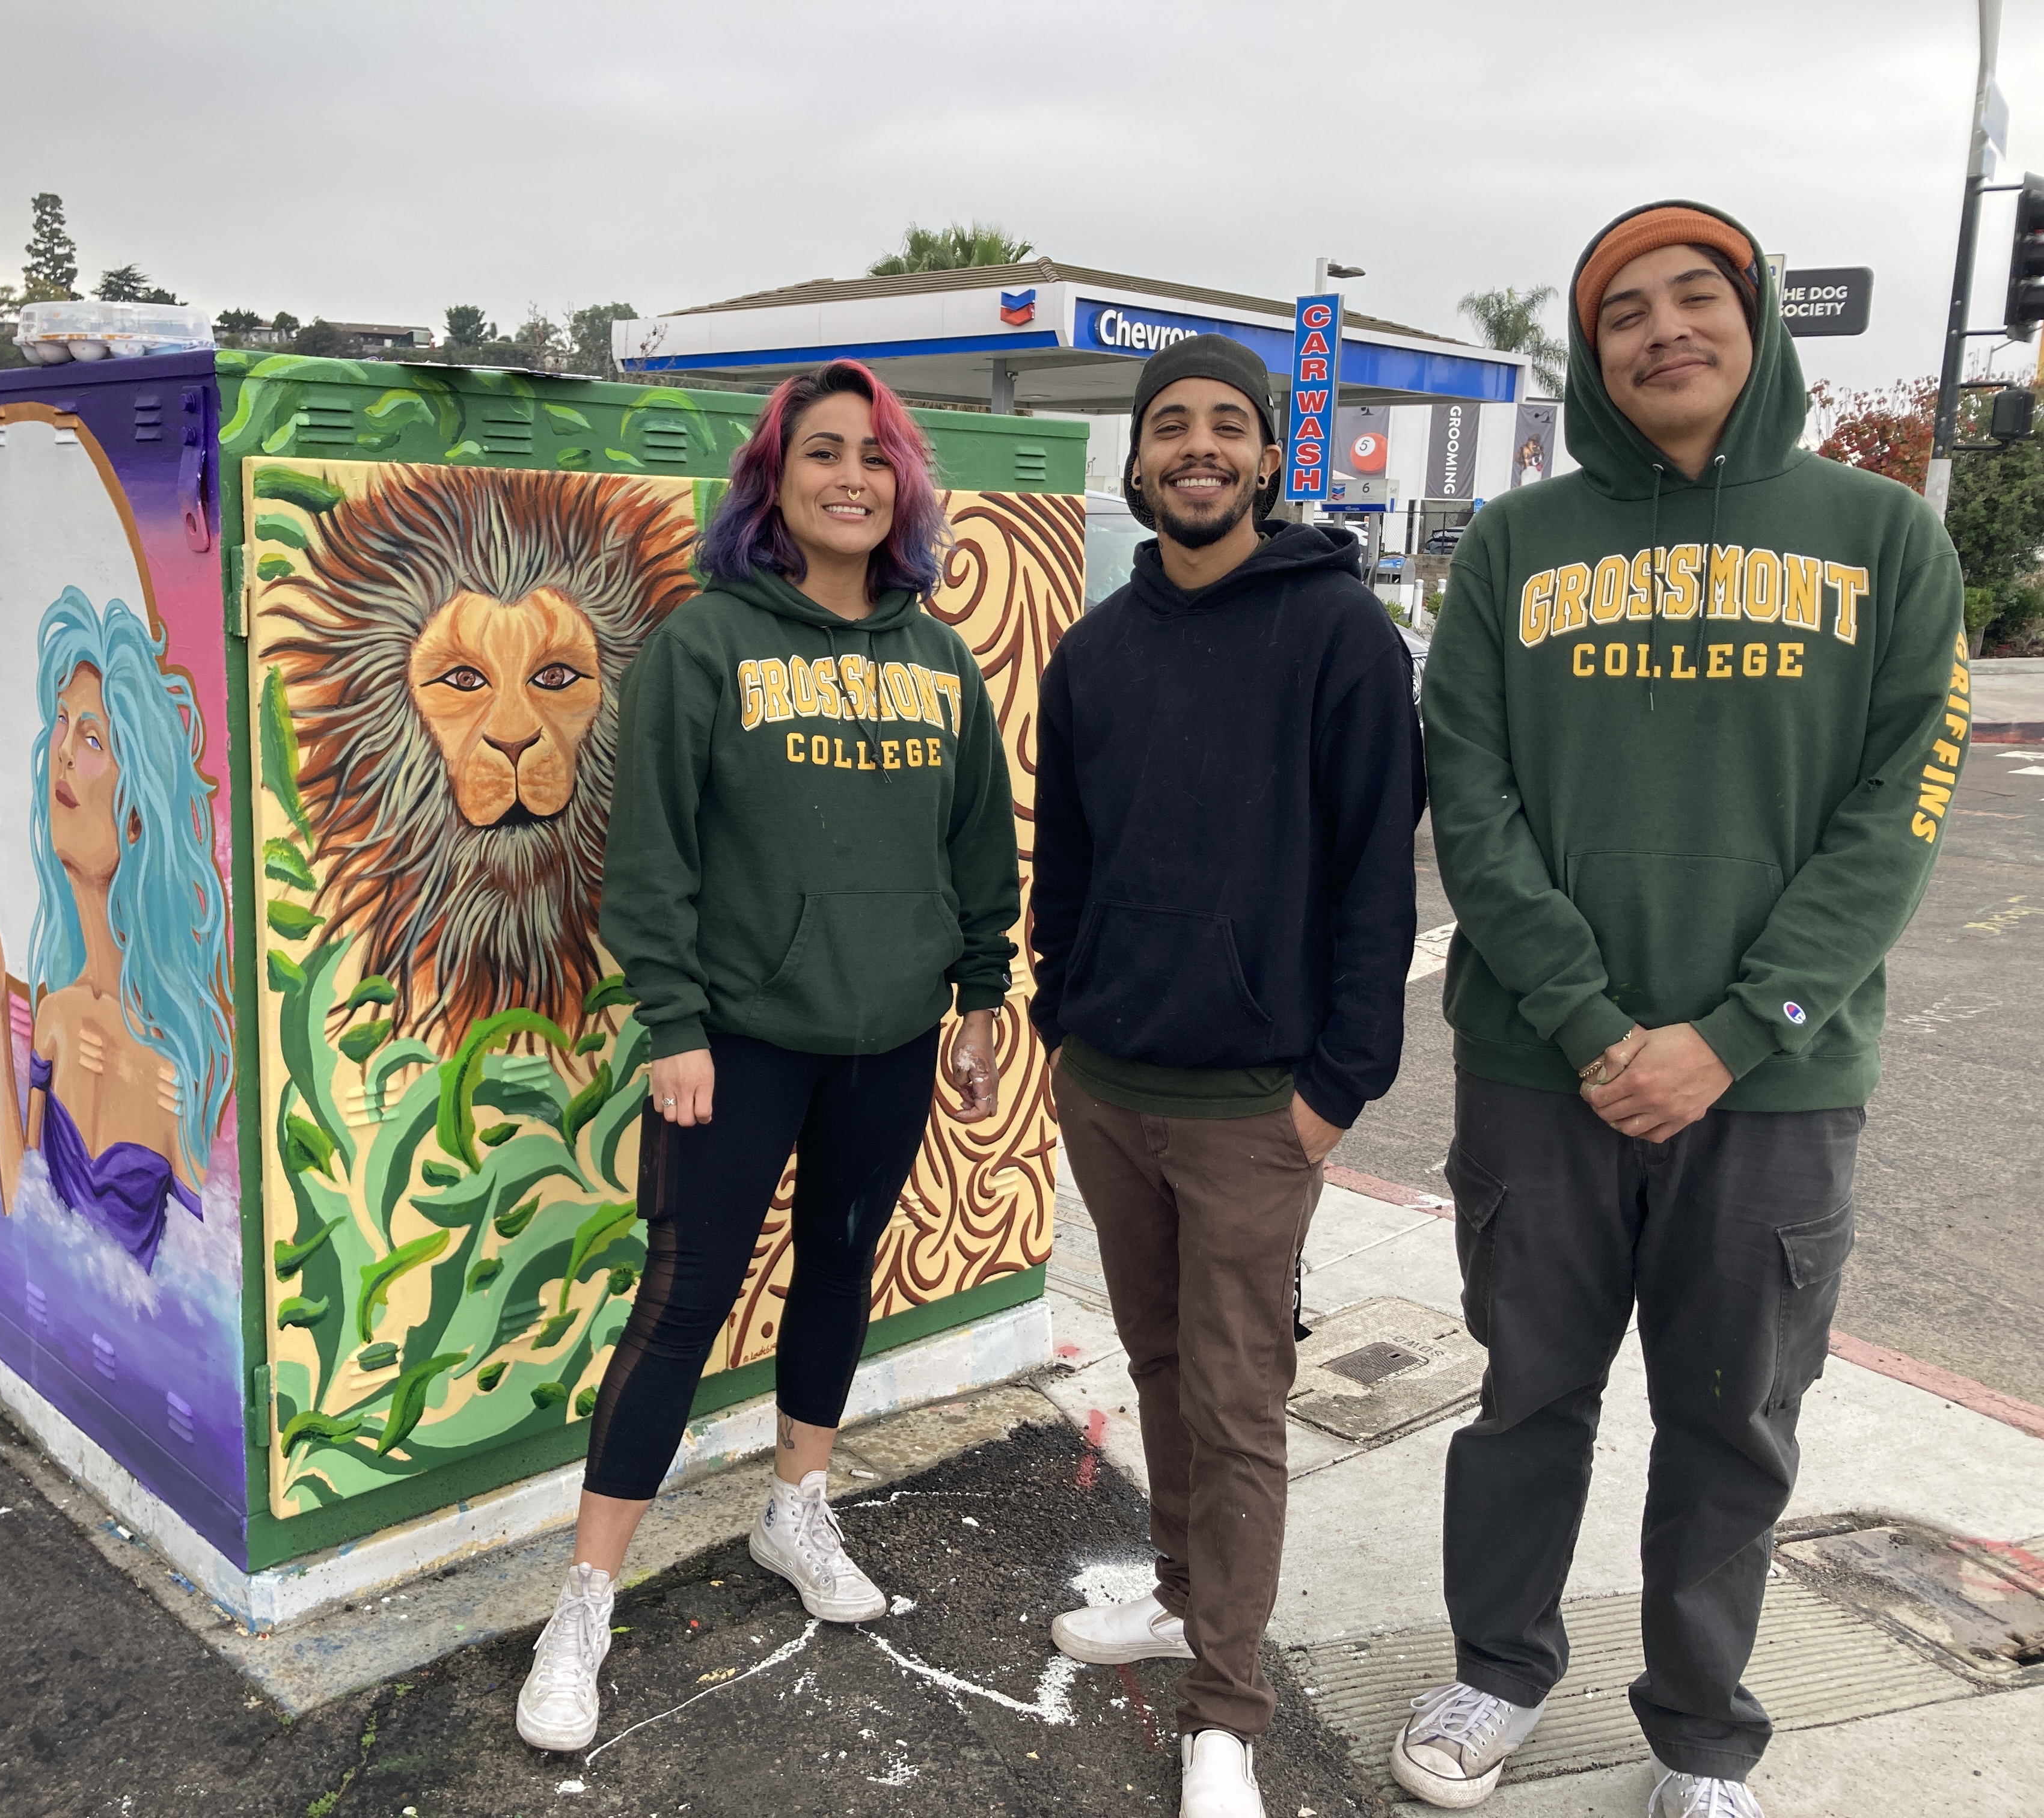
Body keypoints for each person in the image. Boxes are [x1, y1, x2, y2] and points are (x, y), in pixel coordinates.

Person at [1394, 203, 1965, 1818]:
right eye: (1622, 313)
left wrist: (1734, 1031)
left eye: (1692, 297)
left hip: (1775, 1092)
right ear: (1592, 355)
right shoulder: (1516, 545)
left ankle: (1701, 1739)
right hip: (1537, 1075)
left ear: (1757, 317)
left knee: (1734, 1426)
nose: (1661, 332)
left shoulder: (1883, 539)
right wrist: (1588, 1023)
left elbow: (1900, 809)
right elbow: (1473, 797)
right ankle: (1496, 1671)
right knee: (1526, 1401)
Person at [513, 360, 1023, 1753]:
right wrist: (674, 1026)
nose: (851, 476)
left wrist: (982, 990)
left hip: (892, 1038)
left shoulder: (936, 657)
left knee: (840, 1272)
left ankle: (797, 1508)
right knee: (679, 1309)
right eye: (822, 455)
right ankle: (586, 1600)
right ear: (777, 483)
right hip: (734, 1046)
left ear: (903, 484)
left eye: (874, 456)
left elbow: (977, 840)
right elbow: (650, 855)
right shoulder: (708, 645)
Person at [1031, 335, 1424, 1818]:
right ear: (1137, 465)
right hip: (1113, 1087)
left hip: (1259, 1107)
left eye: (1226, 428)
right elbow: (1064, 860)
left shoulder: (1339, 637)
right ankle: (1188, 1597)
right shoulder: (1097, 651)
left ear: (1267, 459)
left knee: (1241, 1401)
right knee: (1160, 1369)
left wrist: (1338, 1088)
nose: (1197, 447)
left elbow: (1377, 881)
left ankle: (1226, 1713)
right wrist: (1064, 1014)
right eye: (1170, 428)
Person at [0, 586, 233, 1268]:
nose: (61, 752)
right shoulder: (54, 1013)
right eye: (62, 724)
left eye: (92, 738)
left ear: (137, 816)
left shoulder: (172, 1056)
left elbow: (213, 1262)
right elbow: (14, 1195)